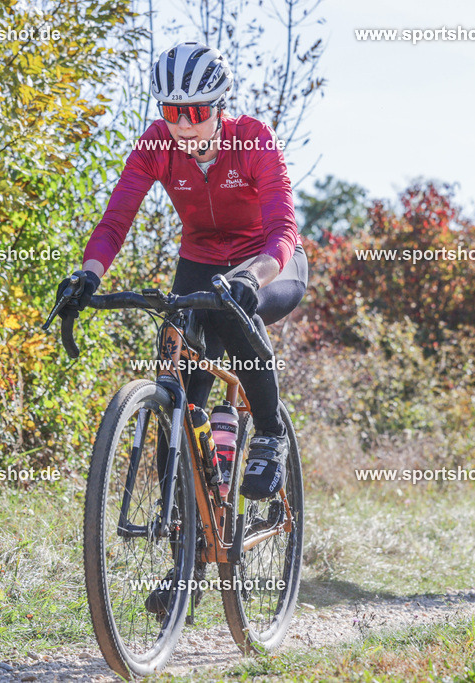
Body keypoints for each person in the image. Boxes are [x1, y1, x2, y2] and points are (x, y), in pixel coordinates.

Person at [57, 40, 307, 501]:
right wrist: (87, 276)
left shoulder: (253, 139)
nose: (181, 126)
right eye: (172, 113)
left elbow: (282, 229)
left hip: (269, 261)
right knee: (179, 392)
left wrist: (254, 276)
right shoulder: (156, 144)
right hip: (200, 262)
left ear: (219, 107)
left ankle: (270, 434)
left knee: (233, 312)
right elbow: (116, 221)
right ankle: (182, 520)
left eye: (194, 114)